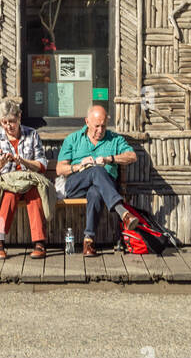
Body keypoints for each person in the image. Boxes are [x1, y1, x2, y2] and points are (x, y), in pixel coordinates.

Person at [56, 104, 139, 257]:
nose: (100, 130)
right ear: (87, 122)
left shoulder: (114, 139)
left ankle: (88, 241)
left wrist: (110, 159)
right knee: (96, 170)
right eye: (96, 126)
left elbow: (132, 156)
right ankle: (123, 213)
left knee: (95, 192)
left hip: (104, 188)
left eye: (103, 126)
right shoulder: (73, 139)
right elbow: (60, 169)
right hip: (75, 185)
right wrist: (80, 166)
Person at [0, 100, 49, 259]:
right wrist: (0, 164)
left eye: (11, 121)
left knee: (34, 192)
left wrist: (23, 162)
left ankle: (39, 242)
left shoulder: (32, 134)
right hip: (0, 183)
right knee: (9, 194)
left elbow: (42, 165)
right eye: (4, 122)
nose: (8, 126)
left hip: (27, 181)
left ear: (19, 117)